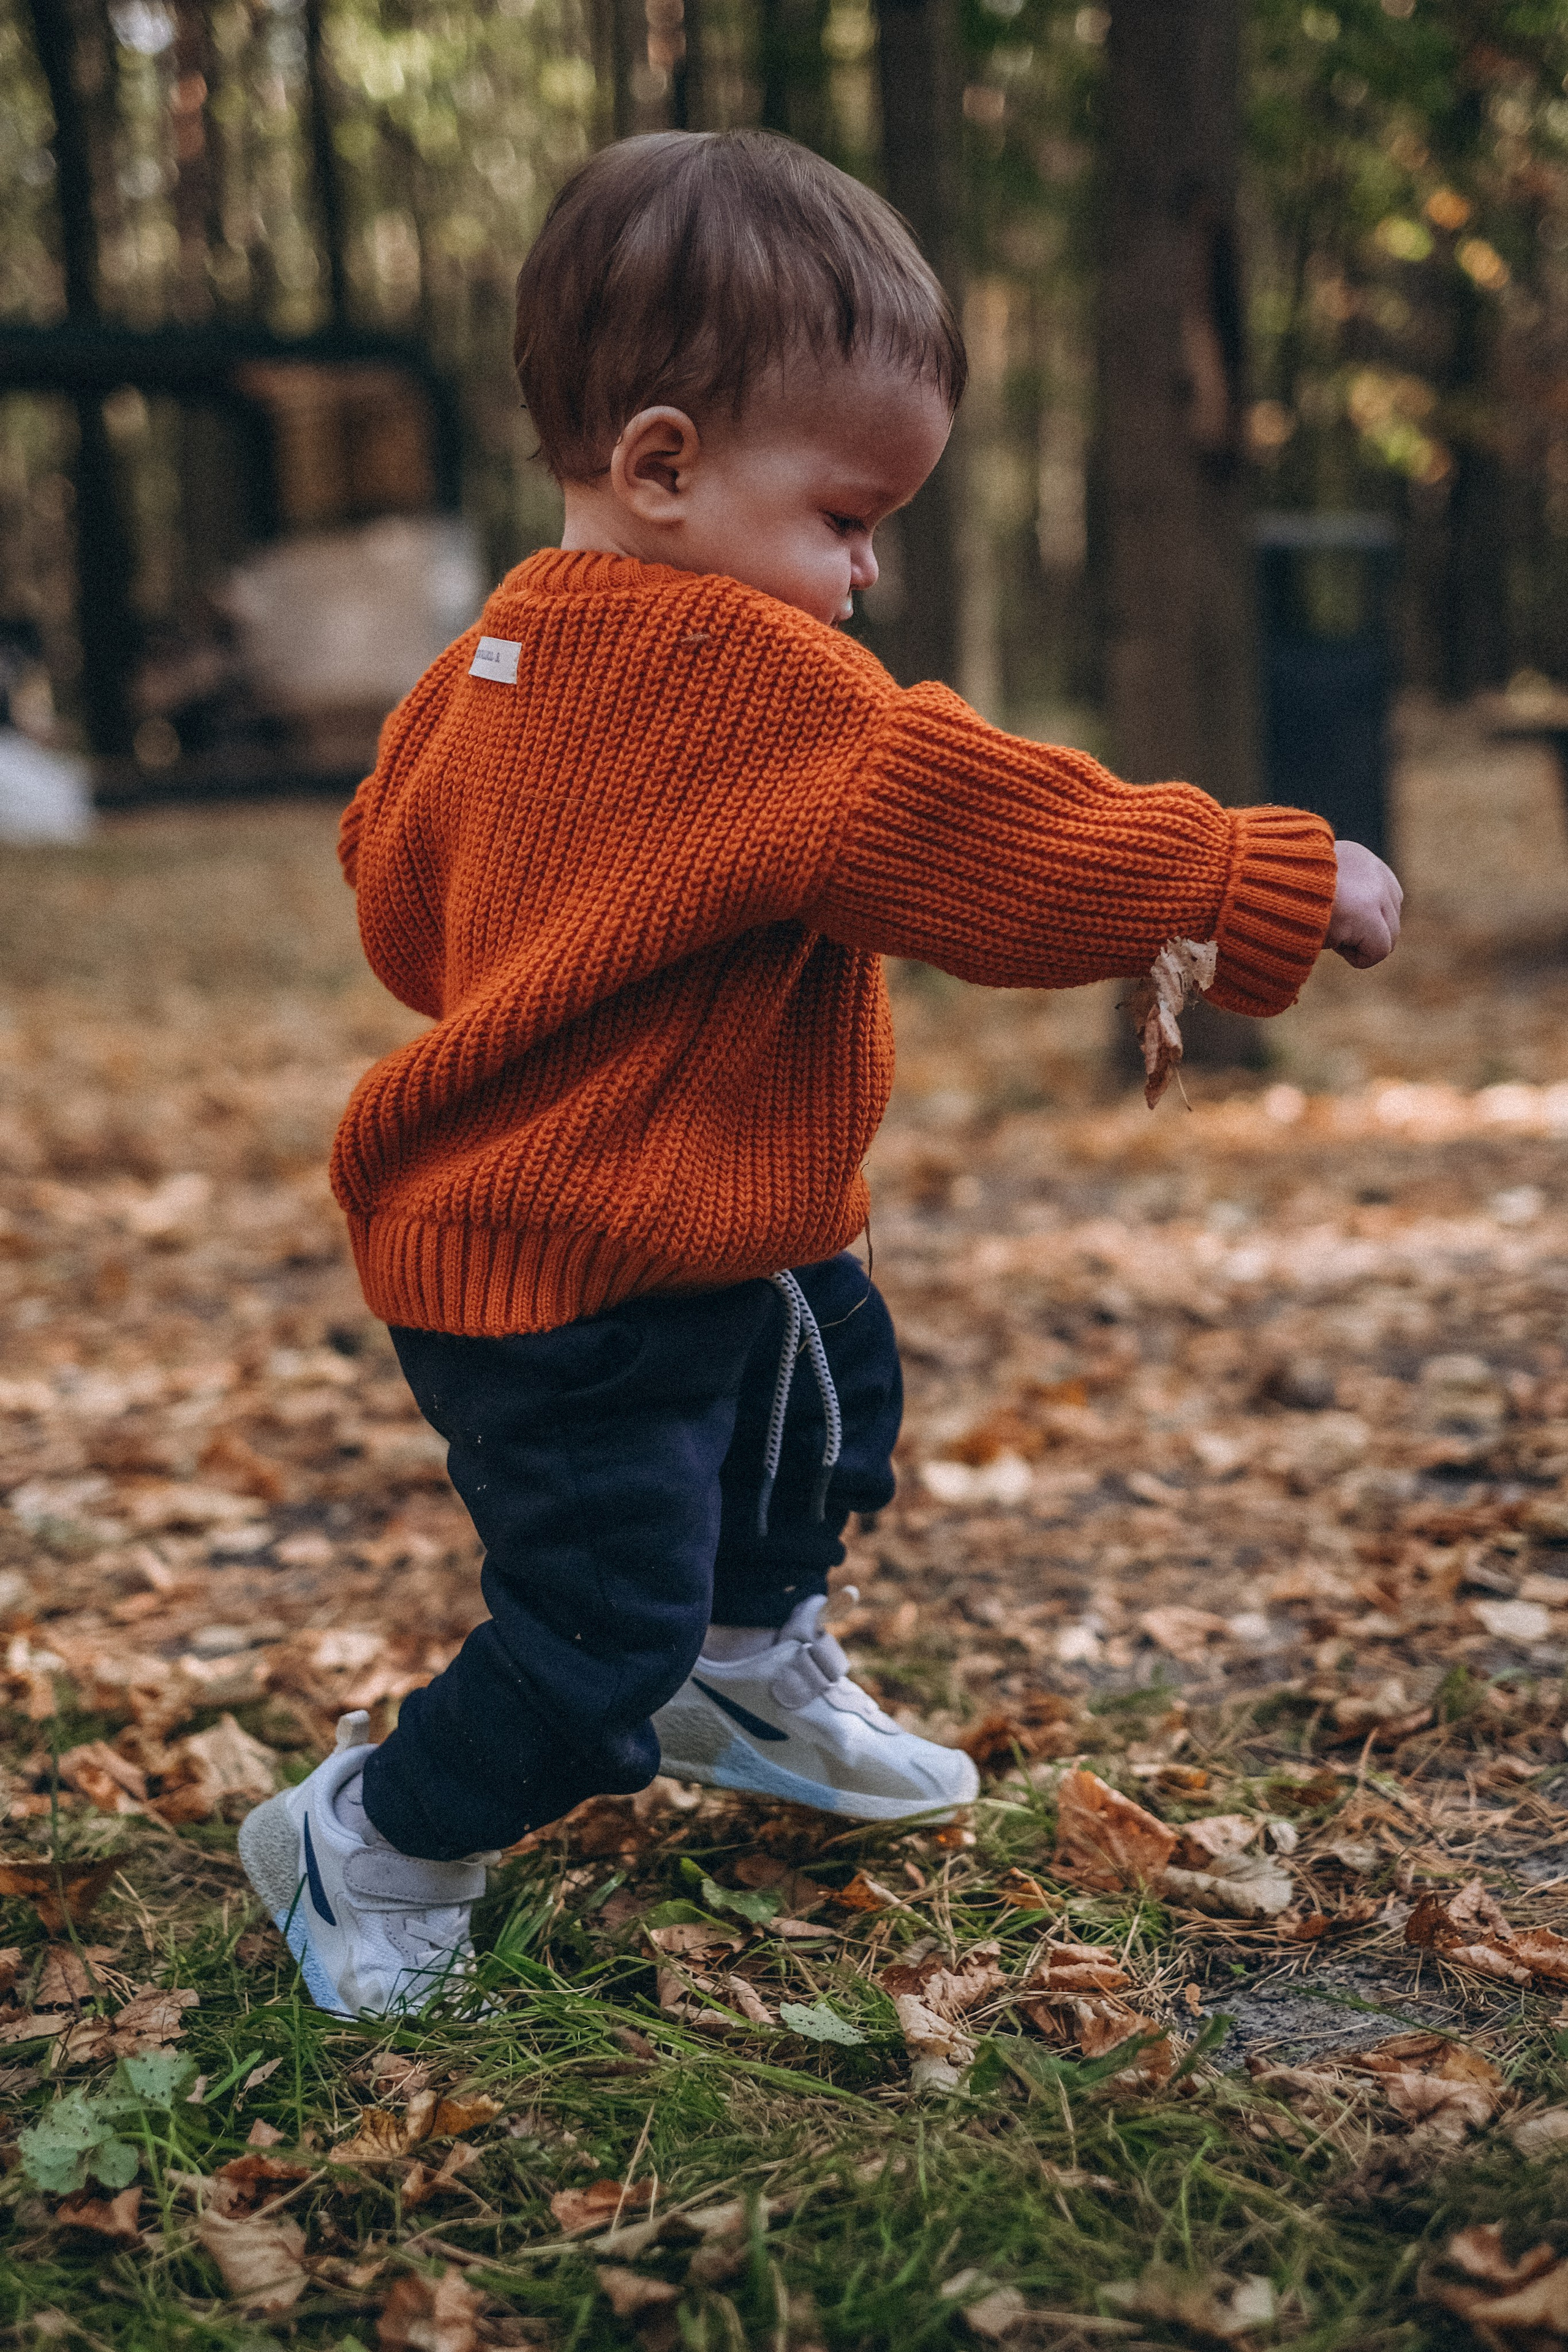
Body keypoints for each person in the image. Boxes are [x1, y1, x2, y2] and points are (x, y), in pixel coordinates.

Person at [238, 129, 1403, 2019]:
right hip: (566, 1286)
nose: (869, 571)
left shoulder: (481, 661)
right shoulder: (761, 681)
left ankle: (753, 1668)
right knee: (592, 1637)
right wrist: (1251, 874)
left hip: (706, 1236)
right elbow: (1002, 837)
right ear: (666, 468)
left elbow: (394, 884)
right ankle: (375, 1833)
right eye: (850, 517)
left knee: (821, 1412)